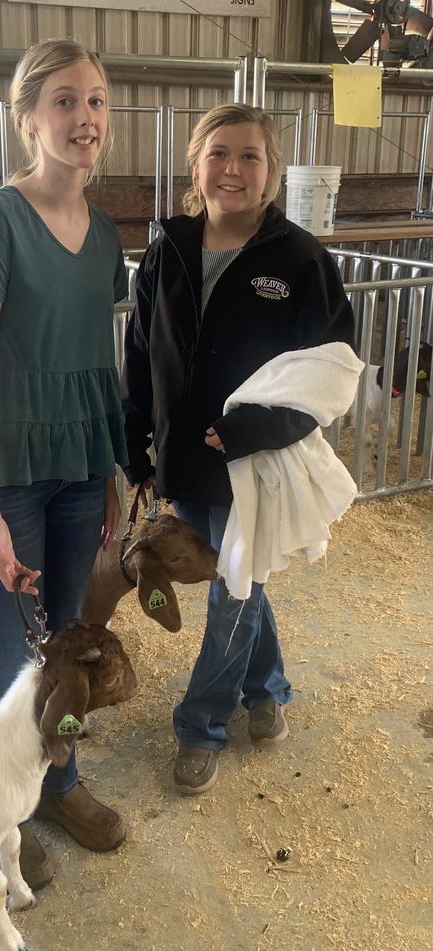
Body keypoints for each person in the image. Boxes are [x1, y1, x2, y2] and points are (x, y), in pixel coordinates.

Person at [0, 39, 129, 888]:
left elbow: (97, 360)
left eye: (94, 101)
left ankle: (61, 780)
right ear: (27, 118)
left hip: (80, 463)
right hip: (8, 470)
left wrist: (114, 469)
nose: (83, 117)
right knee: (11, 646)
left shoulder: (107, 234)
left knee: (71, 637)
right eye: (63, 101)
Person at [122, 103, 355, 795]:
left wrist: (260, 428)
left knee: (235, 586)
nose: (234, 169)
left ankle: (201, 723)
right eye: (219, 153)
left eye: (250, 156)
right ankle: (268, 686)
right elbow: (140, 350)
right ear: (196, 165)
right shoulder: (167, 249)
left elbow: (334, 368)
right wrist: (137, 445)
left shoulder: (302, 260)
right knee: (239, 576)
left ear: (272, 173)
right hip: (183, 459)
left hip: (257, 463)